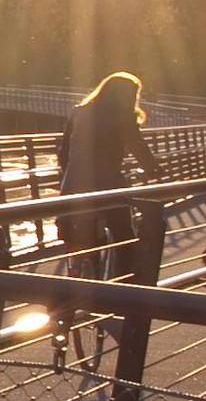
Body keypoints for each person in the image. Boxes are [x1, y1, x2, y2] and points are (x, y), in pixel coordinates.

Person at [57, 71, 152, 281]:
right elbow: (137, 145)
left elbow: (63, 151)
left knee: (82, 231)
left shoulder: (78, 111)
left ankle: (87, 271)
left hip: (75, 181)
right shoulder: (122, 115)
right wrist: (153, 168)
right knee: (123, 234)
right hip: (108, 181)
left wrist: (69, 173)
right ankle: (125, 282)